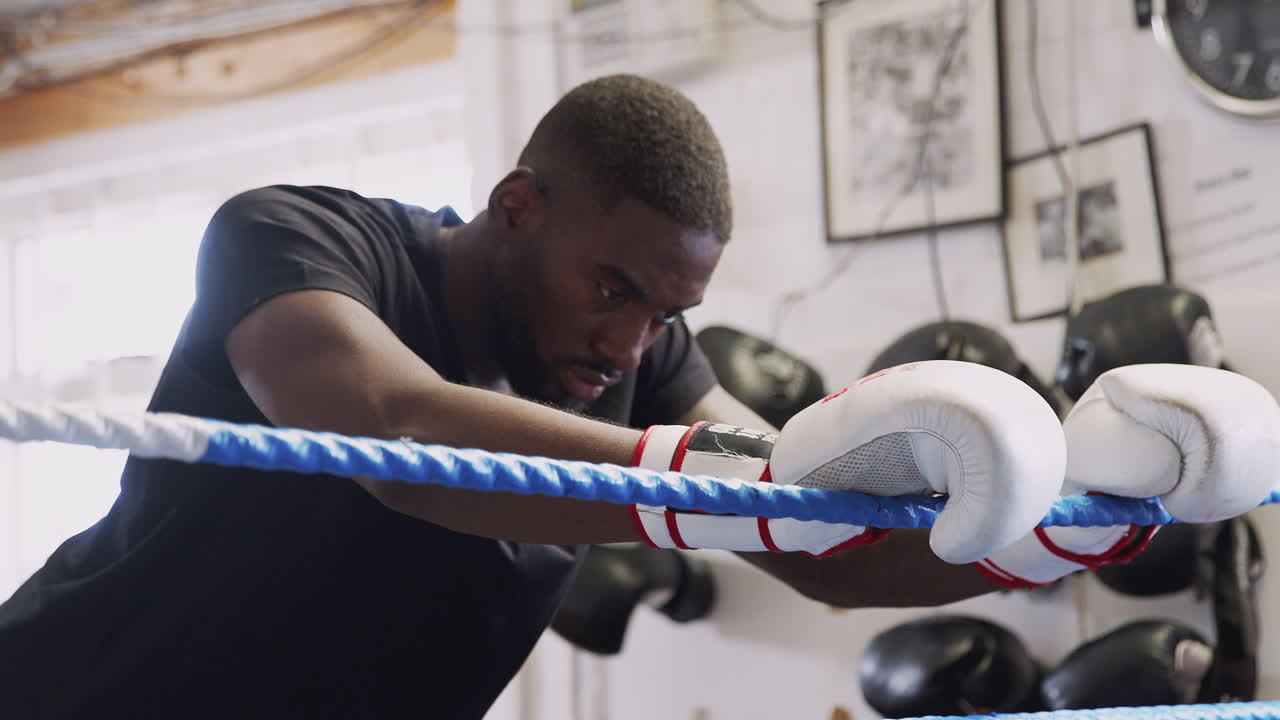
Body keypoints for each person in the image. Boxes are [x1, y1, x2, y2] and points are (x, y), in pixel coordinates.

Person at [0, 74, 1270, 719]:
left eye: (666, 311)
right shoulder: (301, 242)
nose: (626, 339)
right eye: (608, 286)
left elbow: (821, 550)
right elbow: (394, 428)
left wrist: (1061, 527)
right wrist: (724, 486)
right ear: (516, 206)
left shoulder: (641, 361)